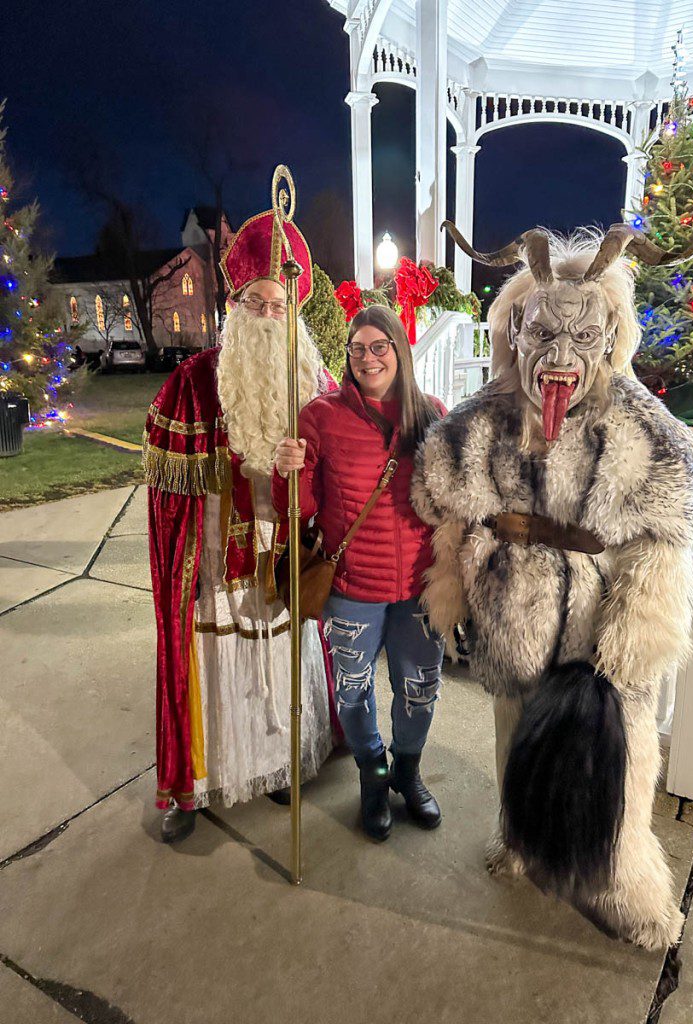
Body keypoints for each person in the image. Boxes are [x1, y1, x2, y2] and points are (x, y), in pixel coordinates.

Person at [412, 222, 693, 950]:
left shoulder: (633, 416)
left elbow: (688, 498)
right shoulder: (490, 412)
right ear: (517, 329)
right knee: (515, 732)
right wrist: (467, 555)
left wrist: (640, 616)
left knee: (618, 758)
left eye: (581, 338)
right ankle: (522, 837)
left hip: (594, 619)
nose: (558, 358)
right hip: (513, 605)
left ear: (609, 336)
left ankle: (632, 892)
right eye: (541, 333)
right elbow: (437, 481)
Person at [144, 202, 336, 844]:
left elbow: (330, 486)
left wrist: (299, 464)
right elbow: (170, 492)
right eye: (256, 302)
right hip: (216, 565)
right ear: (236, 303)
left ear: (294, 312)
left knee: (277, 658)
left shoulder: (314, 382)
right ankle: (190, 786)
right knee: (214, 664)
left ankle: (277, 764)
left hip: (282, 561)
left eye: (280, 306)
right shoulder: (194, 382)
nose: (268, 316)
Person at [273, 305, 446, 841]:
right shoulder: (320, 415)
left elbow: (453, 498)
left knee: (419, 688)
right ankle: (373, 778)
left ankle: (407, 772)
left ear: (399, 350)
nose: (368, 358)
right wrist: (288, 471)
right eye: (357, 348)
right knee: (353, 692)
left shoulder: (433, 413)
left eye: (379, 346)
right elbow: (298, 509)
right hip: (351, 589)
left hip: (420, 588)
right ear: (346, 357)